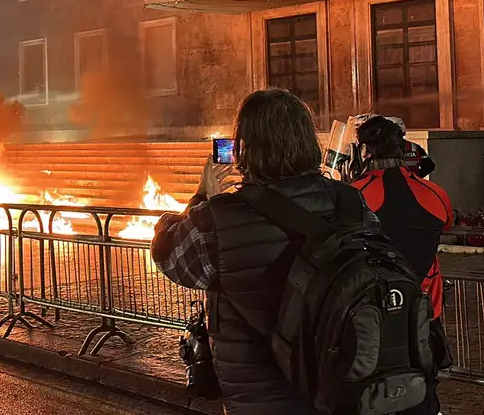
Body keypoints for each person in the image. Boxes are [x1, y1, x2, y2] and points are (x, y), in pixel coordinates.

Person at [151, 88, 379, 414]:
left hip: (260, 401)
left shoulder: (220, 217)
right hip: (342, 391)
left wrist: (201, 197)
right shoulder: (350, 202)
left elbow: (169, 256)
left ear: (243, 148)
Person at [351, 116, 452, 415]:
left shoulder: (355, 195)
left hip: (372, 314)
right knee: (423, 390)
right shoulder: (437, 195)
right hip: (425, 311)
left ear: (365, 150)